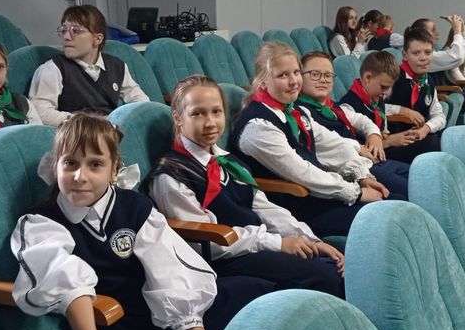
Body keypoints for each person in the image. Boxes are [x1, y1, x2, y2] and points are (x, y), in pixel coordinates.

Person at [10, 114, 272, 330]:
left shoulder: (135, 207)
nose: (80, 176)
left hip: (166, 321)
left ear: (114, 169)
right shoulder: (41, 222)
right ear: (55, 165)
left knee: (261, 293)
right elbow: (63, 276)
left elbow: (170, 272)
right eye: (70, 163)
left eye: (95, 164)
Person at [146, 75, 345, 297]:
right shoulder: (171, 176)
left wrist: (309, 239)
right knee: (326, 275)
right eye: (197, 114)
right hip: (225, 259)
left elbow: (264, 208)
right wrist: (277, 243)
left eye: (216, 112)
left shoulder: (228, 161)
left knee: (333, 260)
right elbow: (207, 244)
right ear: (178, 118)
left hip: (256, 244)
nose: (210, 122)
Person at [229, 41, 390, 238]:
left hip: (318, 196)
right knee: (385, 219)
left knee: (393, 203)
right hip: (293, 210)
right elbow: (302, 172)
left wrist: (362, 176)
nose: (294, 81)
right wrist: (356, 192)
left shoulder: (292, 111)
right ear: (263, 81)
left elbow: (333, 144)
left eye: (296, 72)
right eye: (283, 75)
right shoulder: (258, 126)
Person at [296, 51, 410, 198]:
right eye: (315, 74)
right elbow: (328, 142)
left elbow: (362, 120)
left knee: (422, 175)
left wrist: (374, 134)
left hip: (372, 162)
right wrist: (357, 146)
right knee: (414, 192)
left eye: (328, 75)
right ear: (300, 77)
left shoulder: (335, 107)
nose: (323, 80)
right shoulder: (301, 113)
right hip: (352, 172)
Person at [29, 5, 149, 126]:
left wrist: (124, 118)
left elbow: (140, 101)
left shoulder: (117, 66)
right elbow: (41, 113)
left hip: (112, 131)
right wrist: (95, 122)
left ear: (97, 39)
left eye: (75, 31)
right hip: (76, 133)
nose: (66, 37)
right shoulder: (53, 69)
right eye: (64, 30)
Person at [385, 27, 446, 158]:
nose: (423, 58)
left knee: (449, 139)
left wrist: (426, 128)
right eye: (416, 53)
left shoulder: (428, 81)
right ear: (405, 55)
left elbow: (439, 116)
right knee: (435, 146)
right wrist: (403, 111)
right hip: (394, 141)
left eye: (428, 52)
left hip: (418, 137)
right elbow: (373, 108)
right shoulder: (393, 77)